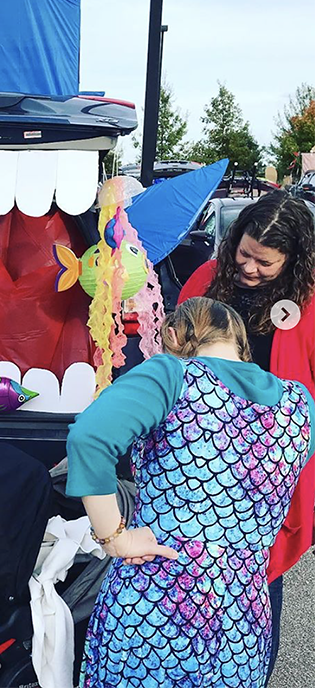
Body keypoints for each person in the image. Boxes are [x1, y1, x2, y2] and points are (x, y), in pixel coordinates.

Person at [63, 297, 315, 687]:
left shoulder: (172, 375)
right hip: (242, 617)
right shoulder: (298, 404)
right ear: (241, 343)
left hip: (157, 608)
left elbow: (90, 437)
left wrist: (115, 537)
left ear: (173, 335)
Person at [178, 189, 315, 681]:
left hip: (268, 471)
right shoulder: (205, 279)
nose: (250, 268)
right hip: (199, 459)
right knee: (191, 580)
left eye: (265, 262)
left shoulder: (311, 303)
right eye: (244, 254)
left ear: (294, 260)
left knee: (257, 583)